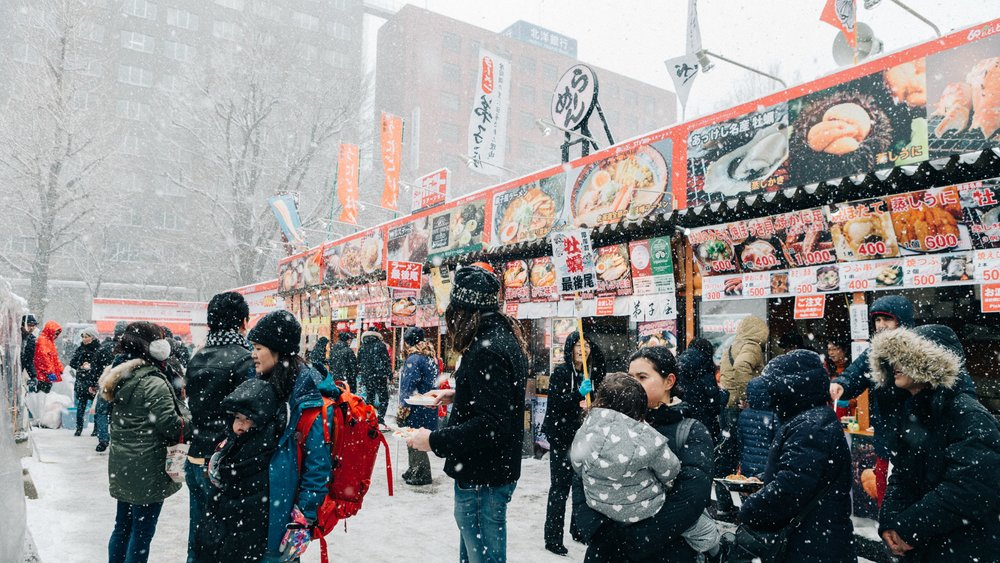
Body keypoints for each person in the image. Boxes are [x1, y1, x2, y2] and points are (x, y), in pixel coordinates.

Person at [407, 266, 529, 563]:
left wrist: (434, 440)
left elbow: (491, 424)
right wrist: (456, 394)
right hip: (491, 472)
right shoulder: (499, 337)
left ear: (462, 310)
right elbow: (498, 401)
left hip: (482, 477)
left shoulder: (487, 348)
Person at [828, 295, 977, 505]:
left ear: (902, 320)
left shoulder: (923, 346)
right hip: (889, 441)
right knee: (888, 500)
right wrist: (841, 383)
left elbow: (956, 381)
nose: (881, 326)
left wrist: (966, 414)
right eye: (877, 321)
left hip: (924, 441)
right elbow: (856, 373)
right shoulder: (875, 352)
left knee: (919, 500)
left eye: (886, 320)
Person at [869, 325, 1000, 561]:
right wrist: (890, 523)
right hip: (927, 548)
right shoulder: (914, 412)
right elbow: (901, 475)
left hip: (965, 548)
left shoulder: (966, 414)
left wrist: (909, 529)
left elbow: (969, 489)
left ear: (930, 364)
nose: (896, 364)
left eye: (906, 357)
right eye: (895, 357)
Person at [574, 346, 714, 563]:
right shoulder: (604, 425)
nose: (632, 384)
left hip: (666, 553)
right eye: (629, 376)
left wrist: (639, 539)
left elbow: (691, 496)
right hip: (606, 551)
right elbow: (582, 477)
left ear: (669, 381)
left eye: (642, 377)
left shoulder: (690, 430)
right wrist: (598, 531)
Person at [738, 350, 855, 562]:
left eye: (773, 387)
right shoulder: (811, 419)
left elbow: (791, 487)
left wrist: (751, 509)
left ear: (790, 388)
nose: (771, 394)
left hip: (812, 543)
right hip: (817, 539)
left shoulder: (810, 426)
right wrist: (764, 481)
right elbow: (801, 476)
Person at [98, 321, 191, 563]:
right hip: (148, 468)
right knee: (141, 532)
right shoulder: (153, 381)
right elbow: (172, 425)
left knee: (122, 526)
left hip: (124, 465)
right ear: (156, 347)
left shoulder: (120, 375)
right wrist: (189, 417)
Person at [247, 310, 333, 563]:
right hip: (255, 510)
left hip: (280, 519)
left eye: (258, 347)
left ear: (278, 350)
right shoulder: (264, 382)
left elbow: (318, 468)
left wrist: (301, 521)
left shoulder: (306, 398)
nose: (252, 354)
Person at [184, 291, 254, 563]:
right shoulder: (245, 358)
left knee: (199, 537)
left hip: (196, 457)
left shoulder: (198, 356)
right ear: (242, 322)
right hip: (225, 462)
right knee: (227, 543)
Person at [193, 378, 286, 563]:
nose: (241, 425)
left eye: (248, 419)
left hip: (243, 534)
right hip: (229, 528)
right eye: (237, 418)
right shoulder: (231, 445)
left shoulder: (258, 451)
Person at [570, 372, 681, 523]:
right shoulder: (648, 438)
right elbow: (671, 470)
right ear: (640, 407)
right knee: (699, 526)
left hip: (598, 505)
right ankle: (710, 542)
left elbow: (577, 465)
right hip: (645, 509)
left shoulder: (585, 430)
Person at [542, 331, 606, 555]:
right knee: (560, 488)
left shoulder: (592, 374)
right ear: (569, 349)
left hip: (584, 438)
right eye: (578, 344)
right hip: (562, 438)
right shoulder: (560, 373)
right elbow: (556, 405)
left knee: (582, 488)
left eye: (586, 344)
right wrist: (577, 395)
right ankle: (552, 538)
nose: (583, 348)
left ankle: (577, 529)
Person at [717, 316, 768, 516]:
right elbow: (741, 367)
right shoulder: (751, 346)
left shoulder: (732, 345)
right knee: (749, 455)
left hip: (728, 407)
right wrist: (749, 396)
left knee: (726, 456)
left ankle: (724, 504)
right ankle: (751, 506)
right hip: (739, 409)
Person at [398, 327, 439, 486]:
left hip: (415, 405)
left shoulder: (414, 359)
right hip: (427, 404)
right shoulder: (430, 356)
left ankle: (421, 473)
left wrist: (403, 406)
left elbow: (408, 386)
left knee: (413, 438)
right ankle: (413, 468)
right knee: (417, 437)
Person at [676, 338, 725, 446]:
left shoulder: (679, 365)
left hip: (682, 425)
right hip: (704, 424)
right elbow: (715, 405)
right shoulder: (705, 369)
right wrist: (723, 394)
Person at [69, 326, 111, 436]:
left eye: (86, 336)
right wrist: (81, 365)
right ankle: (79, 428)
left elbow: (102, 365)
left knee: (96, 406)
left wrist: (92, 367)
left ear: (92, 337)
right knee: (81, 405)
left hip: (94, 380)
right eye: (82, 336)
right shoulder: (80, 349)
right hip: (82, 379)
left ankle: (96, 429)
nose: (84, 339)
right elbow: (72, 362)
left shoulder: (99, 349)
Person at [94, 321, 127, 450]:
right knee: (118, 413)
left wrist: (94, 383)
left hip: (106, 384)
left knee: (101, 412)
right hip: (122, 386)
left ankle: (103, 438)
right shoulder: (129, 349)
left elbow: (95, 367)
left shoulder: (105, 347)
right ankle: (116, 438)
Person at [736, 377, 777, 478]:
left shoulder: (744, 414)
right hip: (766, 467)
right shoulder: (773, 416)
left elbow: (740, 441)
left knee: (747, 492)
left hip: (747, 465)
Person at [357, 329, 392, 425]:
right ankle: (380, 418)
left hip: (367, 377)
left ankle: (369, 417)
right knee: (384, 398)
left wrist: (363, 374)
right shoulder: (381, 346)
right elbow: (386, 361)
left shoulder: (362, 347)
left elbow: (358, 363)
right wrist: (390, 375)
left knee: (370, 397)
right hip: (380, 376)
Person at [33, 320, 64, 393]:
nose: (56, 336)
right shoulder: (43, 341)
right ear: (50, 331)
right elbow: (43, 358)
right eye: (55, 333)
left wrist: (60, 369)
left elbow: (54, 358)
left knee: (45, 395)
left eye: (57, 334)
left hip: (46, 375)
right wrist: (49, 371)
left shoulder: (49, 341)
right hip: (43, 375)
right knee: (42, 395)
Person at [20, 315, 37, 391]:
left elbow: (29, 360)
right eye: (29, 325)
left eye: (33, 325)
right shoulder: (16, 336)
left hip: (19, 370)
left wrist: (33, 376)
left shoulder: (31, 339)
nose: (32, 328)